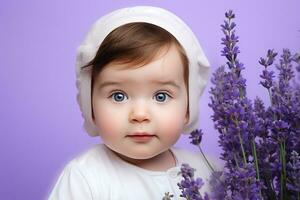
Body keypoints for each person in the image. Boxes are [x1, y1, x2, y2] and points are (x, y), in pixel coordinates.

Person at [48, 5, 216, 199]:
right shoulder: (84, 178)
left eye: (161, 96)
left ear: (189, 108)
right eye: (118, 96)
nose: (140, 115)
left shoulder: (210, 171)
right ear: (90, 107)